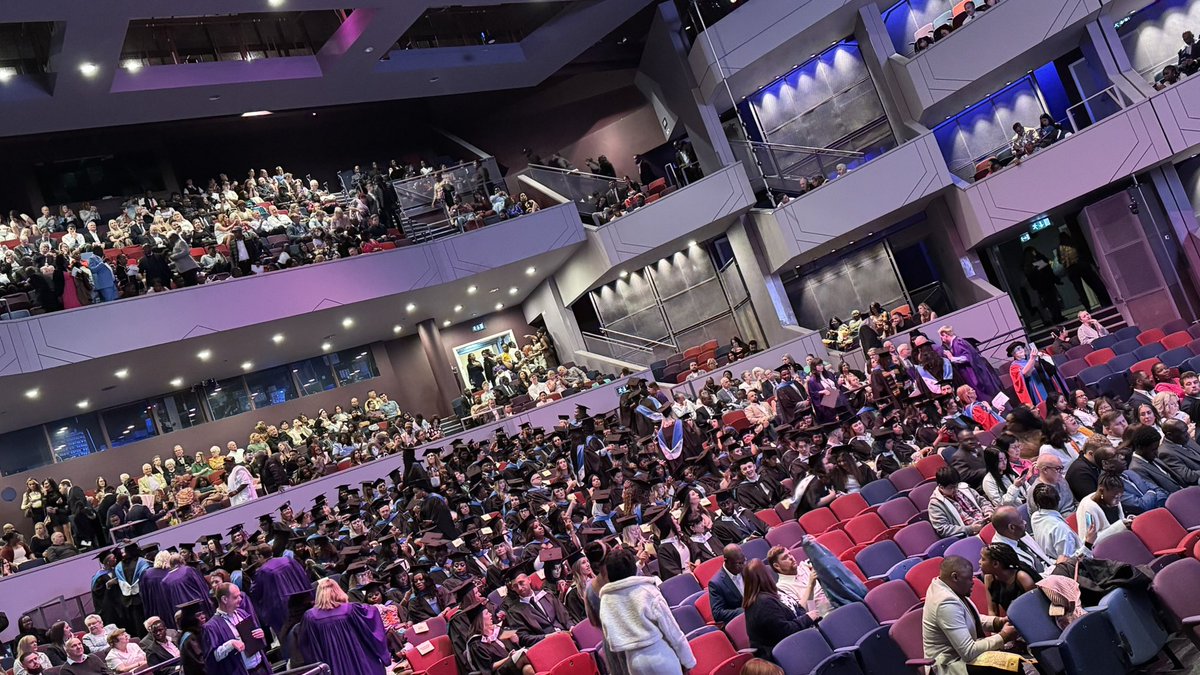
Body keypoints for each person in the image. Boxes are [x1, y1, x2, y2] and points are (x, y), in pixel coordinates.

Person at [597, 547, 696, 672]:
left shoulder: (606, 600)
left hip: (634, 663)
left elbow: (611, 638)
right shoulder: (647, 591)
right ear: (632, 567)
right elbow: (672, 631)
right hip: (660, 656)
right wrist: (688, 660)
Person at [922, 556, 1018, 674]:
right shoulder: (945, 602)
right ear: (955, 577)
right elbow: (969, 652)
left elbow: (968, 619)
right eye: (968, 578)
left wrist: (998, 622)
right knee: (1010, 666)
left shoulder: (947, 587)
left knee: (1013, 657)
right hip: (950, 665)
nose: (973, 582)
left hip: (961, 657)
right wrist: (1003, 636)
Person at [295, 578, 390, 675]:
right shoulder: (351, 609)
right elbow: (372, 615)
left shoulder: (310, 617)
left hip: (333, 665)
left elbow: (307, 646)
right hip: (360, 661)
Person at [742, 559, 820, 658]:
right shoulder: (763, 603)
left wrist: (809, 615)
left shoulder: (771, 592)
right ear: (765, 575)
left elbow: (795, 609)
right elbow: (784, 631)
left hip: (797, 639)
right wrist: (807, 618)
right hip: (785, 653)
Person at [203, 582, 270, 675]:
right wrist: (230, 644)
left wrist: (260, 634)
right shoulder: (211, 626)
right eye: (235, 597)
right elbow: (213, 657)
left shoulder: (242, 613)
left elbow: (255, 637)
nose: (240, 599)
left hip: (261, 667)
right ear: (224, 599)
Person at [928, 467, 992, 538]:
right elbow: (943, 529)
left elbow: (982, 501)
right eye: (951, 487)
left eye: (956, 486)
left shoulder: (963, 488)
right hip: (970, 535)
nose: (955, 489)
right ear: (941, 487)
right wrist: (970, 529)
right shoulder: (935, 505)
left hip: (985, 523)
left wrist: (988, 512)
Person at [979, 543, 1039, 617]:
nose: (979, 562)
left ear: (995, 564)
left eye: (983, 559)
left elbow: (1037, 608)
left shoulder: (1023, 578)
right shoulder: (989, 578)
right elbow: (992, 611)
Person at [1030, 484, 1087, 560]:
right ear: (1059, 500)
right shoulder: (1062, 530)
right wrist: (1088, 545)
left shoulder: (1035, 517)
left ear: (1037, 504)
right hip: (1071, 566)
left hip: (1050, 558)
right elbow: (1069, 562)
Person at [1007, 342, 1066, 407]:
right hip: (1036, 388)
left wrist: (1042, 357)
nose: (1021, 350)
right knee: (1046, 405)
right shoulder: (1014, 366)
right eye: (1017, 349)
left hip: (1046, 381)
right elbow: (1025, 374)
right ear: (1013, 354)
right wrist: (1032, 359)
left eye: (1021, 348)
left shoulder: (1029, 357)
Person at [1076, 471, 1126, 547]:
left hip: (1118, 541)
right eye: (1116, 497)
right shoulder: (1088, 508)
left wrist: (1127, 522)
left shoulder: (1114, 501)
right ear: (1101, 491)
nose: (1119, 500)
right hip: (1102, 550)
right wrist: (1120, 525)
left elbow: (1121, 521)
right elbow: (1089, 541)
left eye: (1120, 497)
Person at [708, 544, 746, 624]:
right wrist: (744, 611)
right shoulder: (716, 583)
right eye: (738, 563)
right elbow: (718, 613)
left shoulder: (746, 568)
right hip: (740, 621)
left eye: (743, 561)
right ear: (726, 561)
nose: (742, 566)